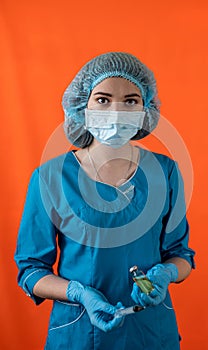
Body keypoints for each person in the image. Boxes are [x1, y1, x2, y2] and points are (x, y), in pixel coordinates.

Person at [14, 52, 195, 350]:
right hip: (80, 332)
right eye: (102, 100)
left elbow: (181, 254)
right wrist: (78, 292)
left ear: (146, 108)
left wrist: (168, 273)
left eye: (131, 101)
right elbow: (32, 270)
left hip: (149, 332)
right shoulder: (51, 177)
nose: (116, 111)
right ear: (81, 105)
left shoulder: (165, 172)